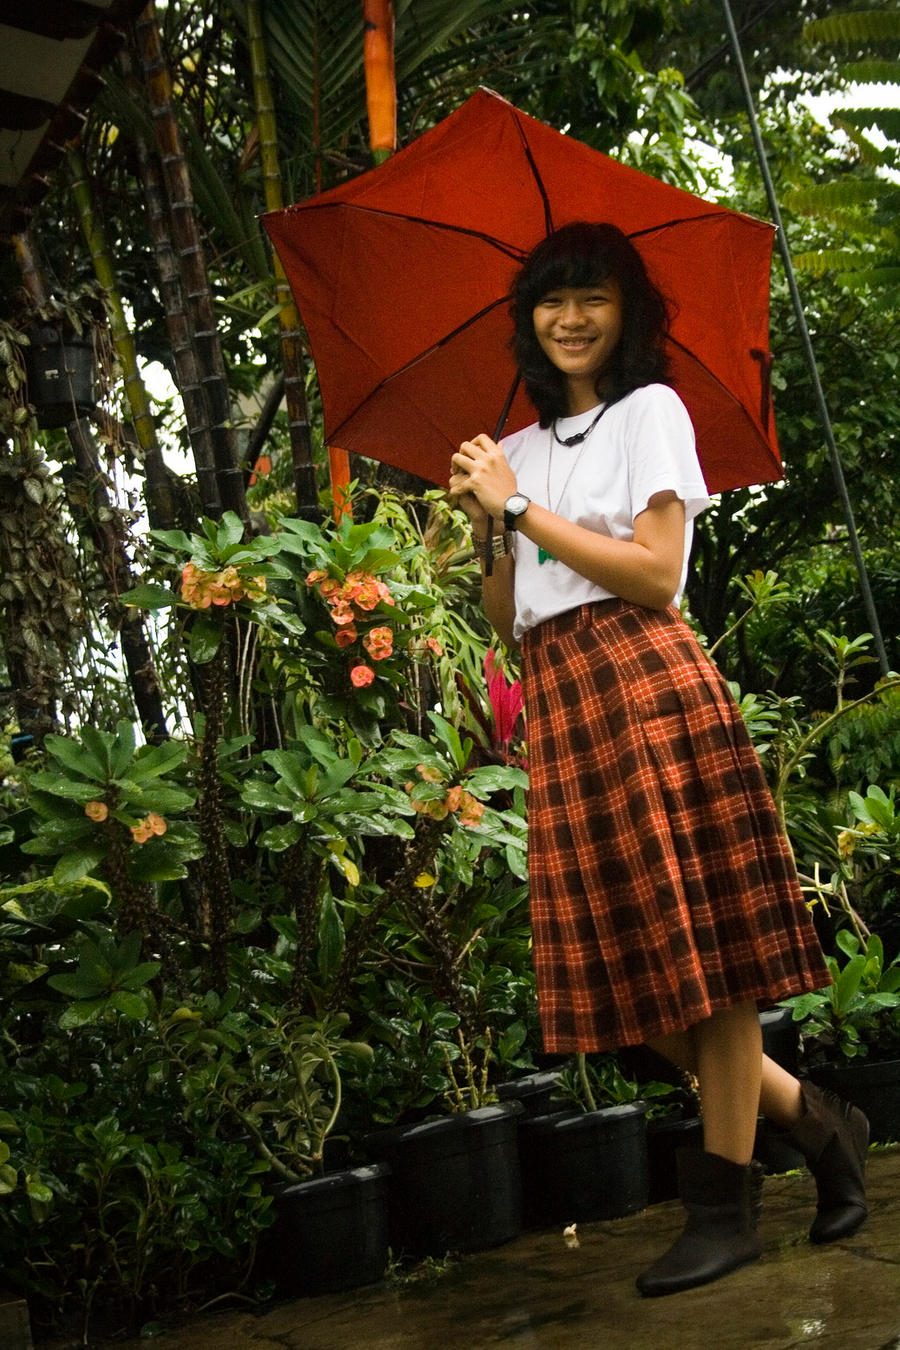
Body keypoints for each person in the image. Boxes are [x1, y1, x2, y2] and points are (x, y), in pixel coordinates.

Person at [448, 222, 869, 1297]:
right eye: (552, 301)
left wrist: (520, 508)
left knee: (708, 964)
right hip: (566, 704)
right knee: (629, 991)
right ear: (527, 322)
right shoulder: (522, 450)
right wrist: (490, 525)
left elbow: (655, 573)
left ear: (627, 311)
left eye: (592, 297)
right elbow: (507, 621)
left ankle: (724, 1208)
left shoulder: (652, 413)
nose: (572, 318)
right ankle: (816, 1123)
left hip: (647, 684)